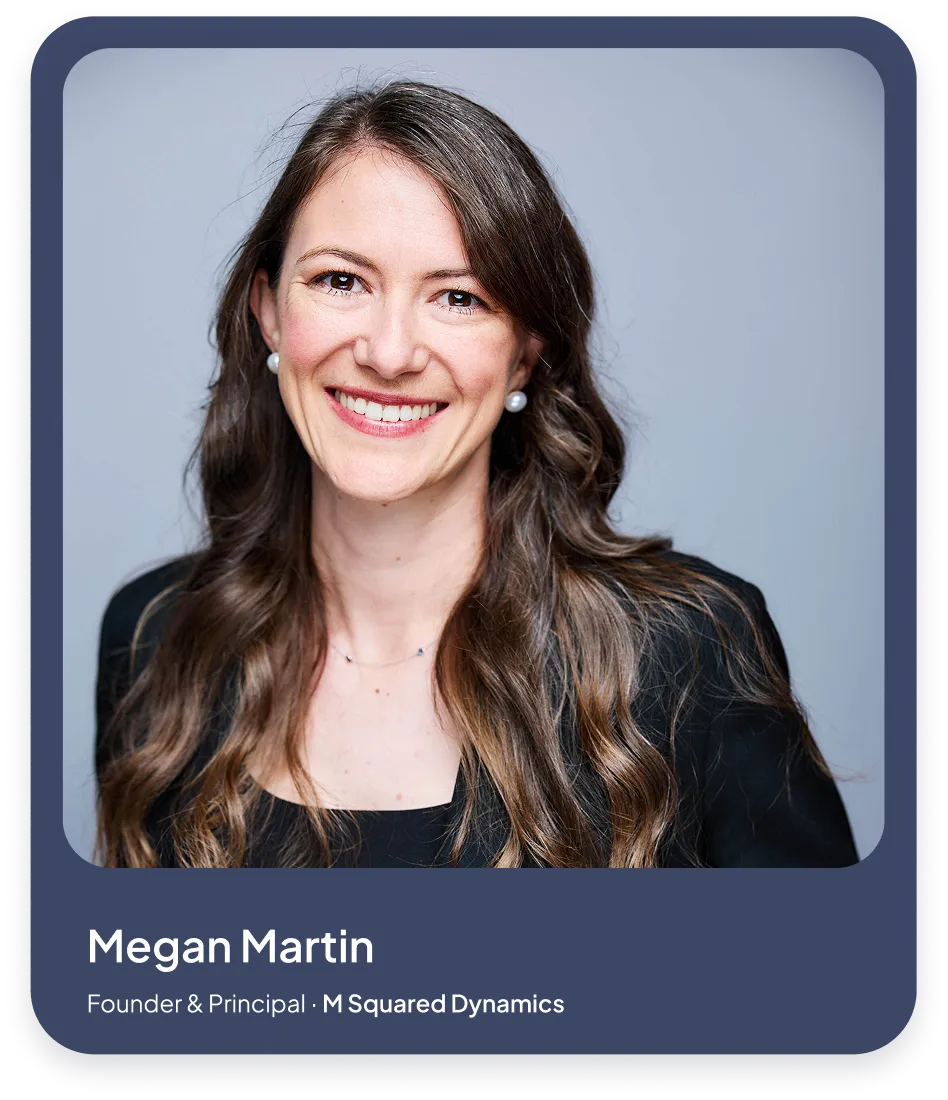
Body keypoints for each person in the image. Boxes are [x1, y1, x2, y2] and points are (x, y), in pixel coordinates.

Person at [95, 80, 858, 869]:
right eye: (341, 281)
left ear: (524, 351)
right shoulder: (156, 636)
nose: (390, 353)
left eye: (458, 297)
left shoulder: (687, 647)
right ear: (268, 312)